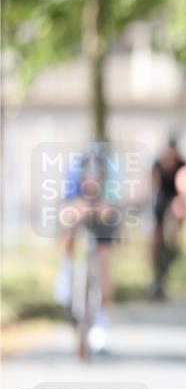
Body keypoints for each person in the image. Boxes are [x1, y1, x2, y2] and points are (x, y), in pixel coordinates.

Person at [53, 140, 120, 353]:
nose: (92, 180)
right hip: (79, 206)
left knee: (104, 261)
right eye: (88, 176)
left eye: (96, 176)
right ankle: (65, 272)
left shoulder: (113, 175)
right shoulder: (73, 172)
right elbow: (66, 206)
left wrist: (102, 211)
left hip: (103, 214)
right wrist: (78, 210)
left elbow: (113, 209)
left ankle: (101, 321)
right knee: (68, 224)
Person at [149, 135, 186, 300]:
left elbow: (185, 187)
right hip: (160, 203)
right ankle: (156, 277)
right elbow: (152, 184)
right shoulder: (158, 164)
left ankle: (170, 256)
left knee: (173, 240)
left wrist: (180, 206)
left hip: (176, 201)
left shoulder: (182, 164)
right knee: (156, 241)